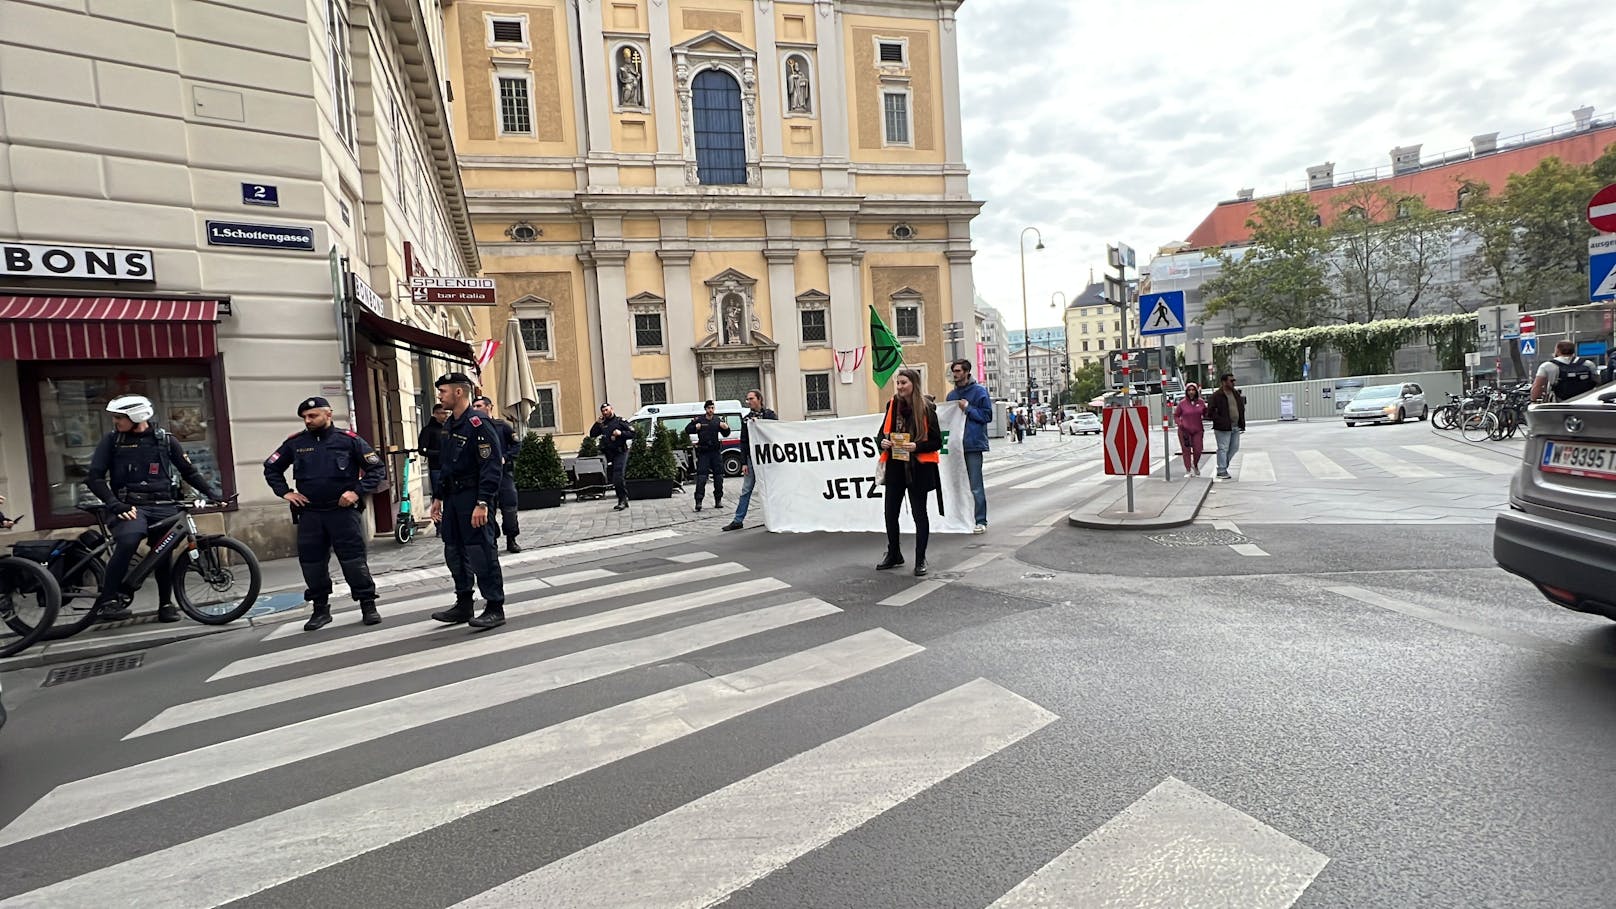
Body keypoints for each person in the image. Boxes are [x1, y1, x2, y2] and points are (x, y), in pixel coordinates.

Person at [85, 394, 223, 622]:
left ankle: (166, 604)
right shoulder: (112, 441)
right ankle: (107, 601)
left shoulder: (165, 440)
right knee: (129, 539)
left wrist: (213, 494)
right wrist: (115, 505)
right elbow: (94, 478)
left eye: (120, 417)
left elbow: (189, 472)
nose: (115, 421)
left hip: (163, 505)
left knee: (163, 551)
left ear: (136, 416)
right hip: (129, 506)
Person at [264, 396, 386, 631]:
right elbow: (271, 467)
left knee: (353, 561)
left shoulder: (348, 440)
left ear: (328, 415)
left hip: (342, 513)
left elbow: (376, 469)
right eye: (304, 417)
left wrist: (356, 492)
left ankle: (368, 605)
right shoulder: (296, 443)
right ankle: (320, 609)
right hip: (310, 513)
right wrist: (286, 493)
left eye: (312, 416)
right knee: (312, 564)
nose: (307, 421)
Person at [428, 372, 507, 629]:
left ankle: (494, 606)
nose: (440, 396)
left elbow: (491, 465)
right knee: (454, 550)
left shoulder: (478, 423)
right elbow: (447, 465)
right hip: (452, 498)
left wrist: (483, 502)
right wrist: (438, 496)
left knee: (480, 551)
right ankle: (464, 603)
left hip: (473, 497)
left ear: (459, 392)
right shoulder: (451, 424)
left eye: (443, 392)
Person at [876, 368, 941, 577]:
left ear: (913, 383)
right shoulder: (892, 405)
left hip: (918, 468)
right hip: (895, 466)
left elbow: (936, 441)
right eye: (898, 383)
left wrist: (917, 447)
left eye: (903, 383)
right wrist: (883, 442)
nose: (900, 387)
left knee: (919, 514)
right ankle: (894, 553)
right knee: (890, 513)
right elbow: (880, 435)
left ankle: (920, 558)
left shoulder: (927, 408)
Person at [945, 359, 993, 533]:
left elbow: (987, 416)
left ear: (966, 372)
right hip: (956, 446)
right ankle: (958, 518)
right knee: (955, 484)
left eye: (958, 371)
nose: (955, 374)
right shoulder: (951, 396)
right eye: (953, 371)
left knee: (975, 485)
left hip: (972, 444)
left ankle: (981, 520)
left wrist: (968, 408)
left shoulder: (979, 392)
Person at [472, 395, 523, 553]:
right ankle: (492, 539)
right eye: (474, 406)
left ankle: (511, 539)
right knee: (487, 508)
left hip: (503, 475)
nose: (475, 409)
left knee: (509, 508)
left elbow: (517, 445)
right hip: (484, 476)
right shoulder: (474, 427)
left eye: (479, 406)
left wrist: (505, 457)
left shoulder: (502, 426)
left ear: (489, 407)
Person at [721, 389, 777, 531]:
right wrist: (744, 462)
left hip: (767, 459)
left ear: (759, 399)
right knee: (746, 490)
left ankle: (776, 516)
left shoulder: (769, 415)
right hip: (752, 459)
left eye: (751, 398)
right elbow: (744, 441)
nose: (749, 401)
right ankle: (738, 520)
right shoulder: (746, 419)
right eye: (747, 399)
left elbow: (776, 432)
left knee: (771, 489)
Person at [684, 400, 731, 513]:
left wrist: (726, 428)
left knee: (719, 477)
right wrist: (696, 427)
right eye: (709, 408)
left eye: (712, 408)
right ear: (705, 409)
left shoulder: (717, 420)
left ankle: (718, 500)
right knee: (702, 477)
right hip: (704, 453)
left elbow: (726, 433)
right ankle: (699, 501)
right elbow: (687, 430)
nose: (711, 410)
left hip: (715, 452)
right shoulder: (699, 420)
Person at [590, 403, 636, 510]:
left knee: (618, 476)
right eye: (603, 411)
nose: (605, 412)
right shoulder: (602, 424)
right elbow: (592, 434)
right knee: (614, 478)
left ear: (612, 409)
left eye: (607, 410)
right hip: (610, 454)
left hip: (621, 452)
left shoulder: (620, 421)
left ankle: (622, 500)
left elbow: (633, 433)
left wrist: (621, 433)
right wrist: (597, 423)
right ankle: (623, 499)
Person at [1204, 373, 1246, 480]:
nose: (1233, 383)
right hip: (1222, 427)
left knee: (1234, 447)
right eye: (1231, 381)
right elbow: (1210, 411)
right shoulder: (1217, 395)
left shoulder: (1235, 393)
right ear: (1224, 382)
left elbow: (1240, 407)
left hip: (1235, 426)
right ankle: (1222, 470)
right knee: (1223, 448)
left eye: (1233, 381)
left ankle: (1223, 465)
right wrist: (1219, 420)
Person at [1531, 340, 1601, 403]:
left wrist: (1533, 401)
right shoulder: (1588, 364)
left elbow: (1538, 386)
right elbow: (1598, 383)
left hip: (1561, 404)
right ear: (1574, 351)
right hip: (1585, 403)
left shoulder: (1548, 366)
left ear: (1557, 351)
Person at [1173, 383, 1208, 477]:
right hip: (1184, 431)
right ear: (1186, 392)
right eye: (1189, 390)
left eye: (1193, 390)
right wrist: (1180, 424)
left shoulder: (1201, 402)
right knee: (1186, 450)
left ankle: (1195, 464)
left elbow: (1205, 413)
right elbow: (1176, 415)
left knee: (1198, 449)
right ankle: (1188, 470)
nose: (1191, 392)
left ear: (1196, 391)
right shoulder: (1182, 403)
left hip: (1198, 429)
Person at [418, 404, 449, 496]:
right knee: (438, 495)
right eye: (443, 413)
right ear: (435, 414)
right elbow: (422, 450)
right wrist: (440, 454)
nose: (446, 415)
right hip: (436, 468)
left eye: (446, 413)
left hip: (450, 467)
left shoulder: (448, 428)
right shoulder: (428, 430)